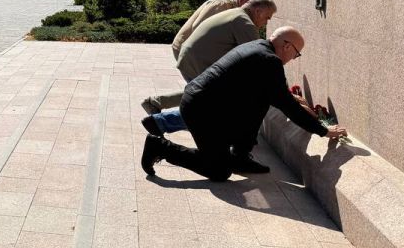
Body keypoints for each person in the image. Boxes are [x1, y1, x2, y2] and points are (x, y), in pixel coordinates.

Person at [141, 27, 347, 182]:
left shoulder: (259, 48)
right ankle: (159, 147)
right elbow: (287, 106)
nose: (294, 59)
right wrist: (322, 130)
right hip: (201, 111)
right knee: (219, 171)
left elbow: (277, 96)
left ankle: (240, 156)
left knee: (261, 100)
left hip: (210, 107)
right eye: (296, 53)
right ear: (286, 46)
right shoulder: (269, 61)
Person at [143, 0, 276, 143]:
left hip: (193, 58)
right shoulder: (245, 23)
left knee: (202, 97)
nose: (266, 23)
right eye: (267, 17)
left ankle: (157, 108)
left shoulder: (235, 13)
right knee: (212, 109)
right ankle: (160, 122)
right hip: (198, 61)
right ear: (258, 11)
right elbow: (258, 58)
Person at [169, 0, 259, 62]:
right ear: (243, 1)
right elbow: (198, 26)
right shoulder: (220, 5)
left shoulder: (231, 8)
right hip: (184, 47)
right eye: (251, 9)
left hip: (193, 51)